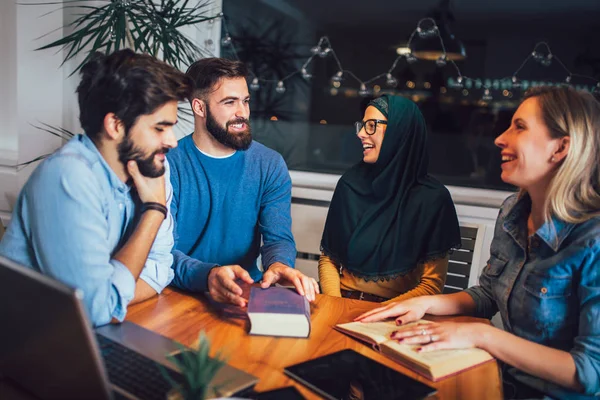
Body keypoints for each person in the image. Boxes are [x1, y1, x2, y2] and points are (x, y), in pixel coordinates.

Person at [356, 86, 600, 399]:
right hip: (499, 379)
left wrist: (482, 335)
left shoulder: (592, 240)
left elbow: (590, 372)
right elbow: (488, 294)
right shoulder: (513, 211)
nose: (500, 138)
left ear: (561, 148)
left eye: (519, 127)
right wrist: (425, 303)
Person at [0, 50, 193, 326]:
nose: (172, 141)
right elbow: (94, 310)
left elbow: (162, 267)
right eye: (159, 128)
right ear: (115, 125)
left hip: (89, 334)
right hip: (23, 349)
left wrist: (111, 300)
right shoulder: (68, 176)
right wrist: (154, 211)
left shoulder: (152, 165)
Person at [167, 58, 319, 306]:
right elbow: (161, 252)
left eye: (245, 101)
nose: (243, 113)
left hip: (244, 294)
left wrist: (279, 265)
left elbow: (277, 238)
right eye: (229, 102)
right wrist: (207, 276)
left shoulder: (269, 164)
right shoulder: (168, 164)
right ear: (199, 107)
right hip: (179, 294)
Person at [319, 95, 461, 304]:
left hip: (398, 311)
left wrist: (378, 314)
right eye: (362, 125)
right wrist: (337, 305)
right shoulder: (350, 184)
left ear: (399, 132)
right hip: (343, 302)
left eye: (370, 126)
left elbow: (431, 286)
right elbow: (328, 260)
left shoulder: (432, 199)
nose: (360, 134)